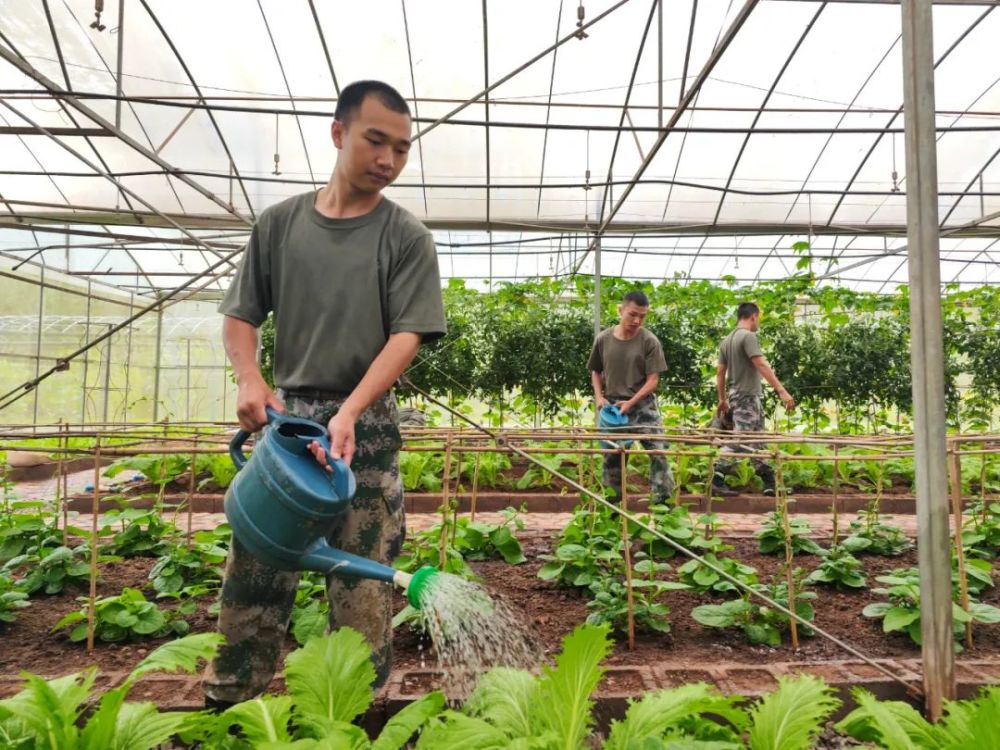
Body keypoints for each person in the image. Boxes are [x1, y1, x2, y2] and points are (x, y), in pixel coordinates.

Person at [203, 80, 447, 707]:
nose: (388, 160)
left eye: (401, 147)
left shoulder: (406, 237)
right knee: (255, 575)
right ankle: (231, 711)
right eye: (375, 140)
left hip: (364, 428)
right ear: (338, 133)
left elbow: (407, 334)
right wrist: (250, 379)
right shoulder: (280, 225)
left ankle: (353, 715)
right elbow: (241, 317)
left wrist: (352, 411)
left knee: (363, 585)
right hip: (287, 427)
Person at [587, 290, 675, 504]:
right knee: (612, 459)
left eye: (642, 316)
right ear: (621, 310)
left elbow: (653, 380)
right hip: (613, 410)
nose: (637, 320)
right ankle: (612, 508)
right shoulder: (603, 339)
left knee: (658, 452)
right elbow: (595, 372)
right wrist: (599, 398)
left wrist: (632, 402)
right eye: (632, 314)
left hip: (643, 407)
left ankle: (663, 507)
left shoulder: (649, 341)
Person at [713, 302, 794, 496]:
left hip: (740, 395)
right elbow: (761, 364)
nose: (758, 323)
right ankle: (716, 476)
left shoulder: (727, 340)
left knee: (758, 439)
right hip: (746, 396)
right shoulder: (748, 336)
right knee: (742, 438)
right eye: (759, 319)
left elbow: (720, 373)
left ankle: (769, 482)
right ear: (753, 317)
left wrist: (723, 399)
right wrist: (781, 390)